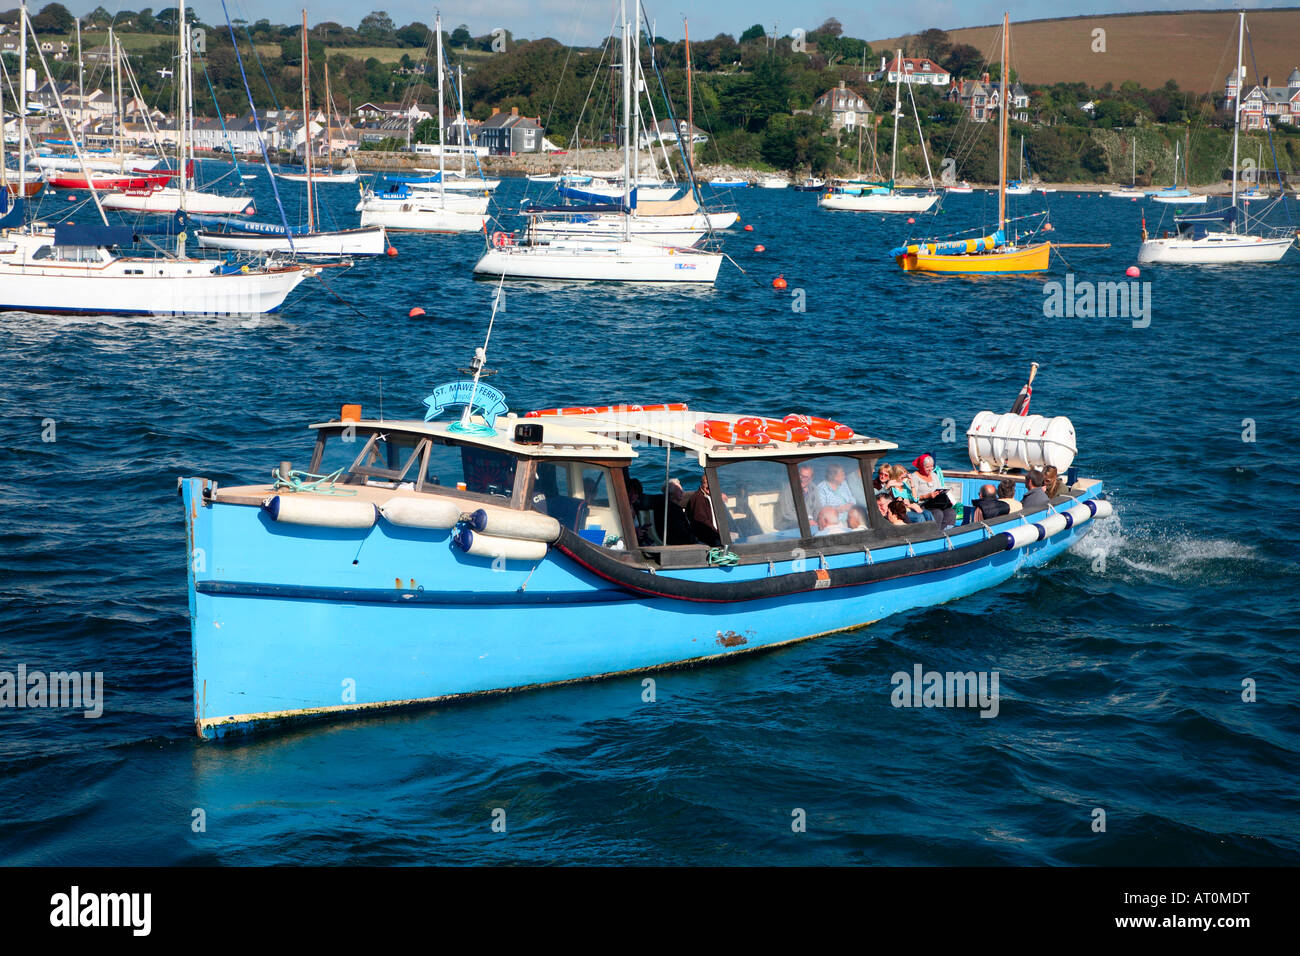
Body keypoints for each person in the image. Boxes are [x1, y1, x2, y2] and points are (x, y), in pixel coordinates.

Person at [911, 453, 955, 529]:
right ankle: (935, 533)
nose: (930, 469)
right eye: (927, 467)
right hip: (923, 504)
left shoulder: (934, 475)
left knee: (951, 512)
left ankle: (945, 532)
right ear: (922, 466)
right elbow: (914, 497)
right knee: (938, 513)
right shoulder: (915, 477)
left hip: (936, 503)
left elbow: (940, 487)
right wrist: (927, 496)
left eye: (932, 466)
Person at [776, 463, 817, 532]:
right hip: (790, 525)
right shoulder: (788, 489)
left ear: (811, 478)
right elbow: (787, 513)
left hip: (809, 524)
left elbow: (818, 507)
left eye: (805, 477)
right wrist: (806, 521)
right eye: (800, 475)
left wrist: (819, 519)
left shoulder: (813, 487)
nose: (801, 479)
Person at [684, 473, 721, 546]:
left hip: (717, 533)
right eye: (705, 483)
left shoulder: (712, 495)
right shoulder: (698, 499)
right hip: (707, 536)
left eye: (711, 482)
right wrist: (718, 533)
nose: (708, 485)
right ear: (701, 484)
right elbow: (702, 521)